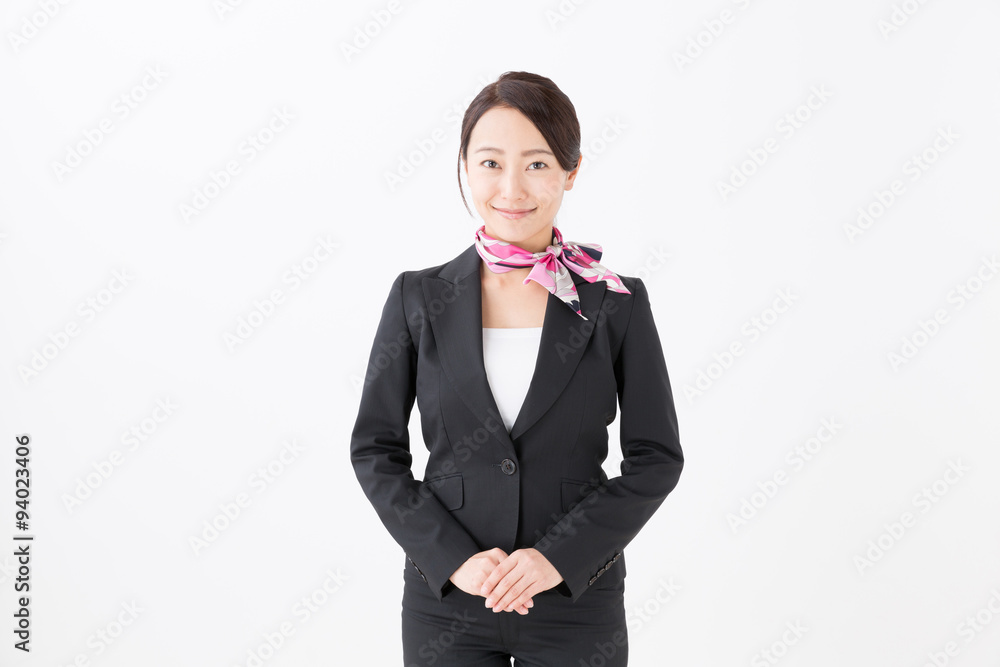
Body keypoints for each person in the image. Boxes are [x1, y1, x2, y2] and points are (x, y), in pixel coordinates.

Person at [350, 71, 683, 666]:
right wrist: (453, 558)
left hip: (575, 602)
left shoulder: (615, 302)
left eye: (536, 164)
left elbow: (656, 458)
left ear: (571, 171)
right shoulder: (417, 298)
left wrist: (558, 557)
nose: (511, 187)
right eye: (489, 163)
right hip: (447, 600)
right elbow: (375, 450)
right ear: (464, 167)